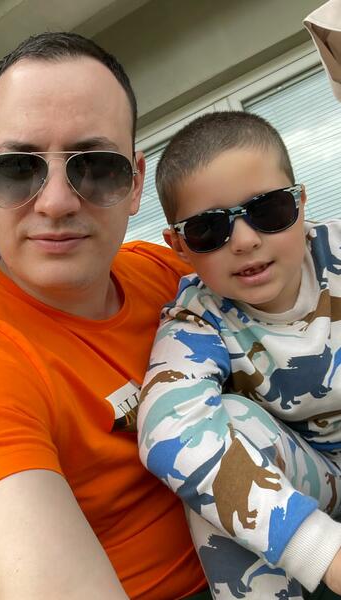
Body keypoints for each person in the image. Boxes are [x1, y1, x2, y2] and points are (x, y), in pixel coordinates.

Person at [0, 32, 209, 599]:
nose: (57, 202)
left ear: (136, 182)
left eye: (97, 167)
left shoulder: (167, 271)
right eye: (18, 169)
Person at [136, 110, 341, 599]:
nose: (246, 240)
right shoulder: (197, 319)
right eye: (209, 229)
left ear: (300, 203)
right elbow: (166, 429)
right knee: (221, 434)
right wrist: (322, 550)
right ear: (179, 246)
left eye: (268, 210)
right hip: (317, 483)